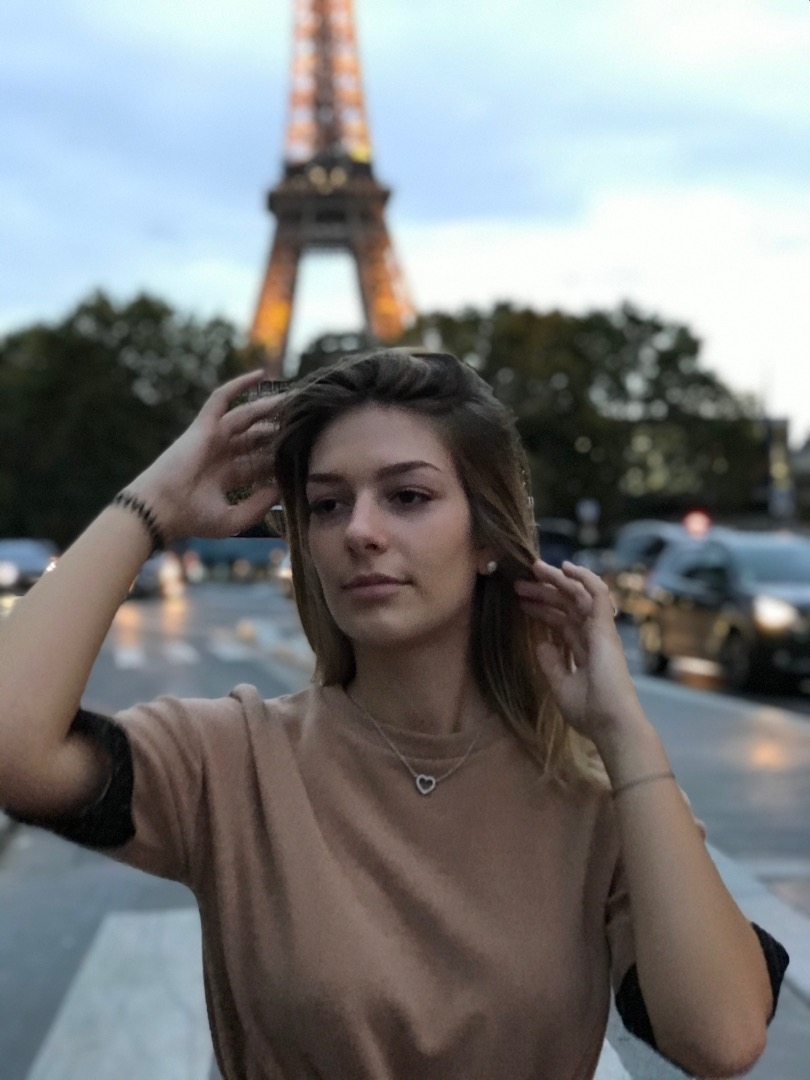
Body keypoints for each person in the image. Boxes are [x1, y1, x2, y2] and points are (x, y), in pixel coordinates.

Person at [0, 350, 789, 1080]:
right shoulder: (235, 759)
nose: (361, 531)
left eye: (407, 496)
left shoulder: (597, 797)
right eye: (327, 505)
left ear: (487, 535)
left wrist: (624, 734)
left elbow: (721, 1039)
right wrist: (151, 506)